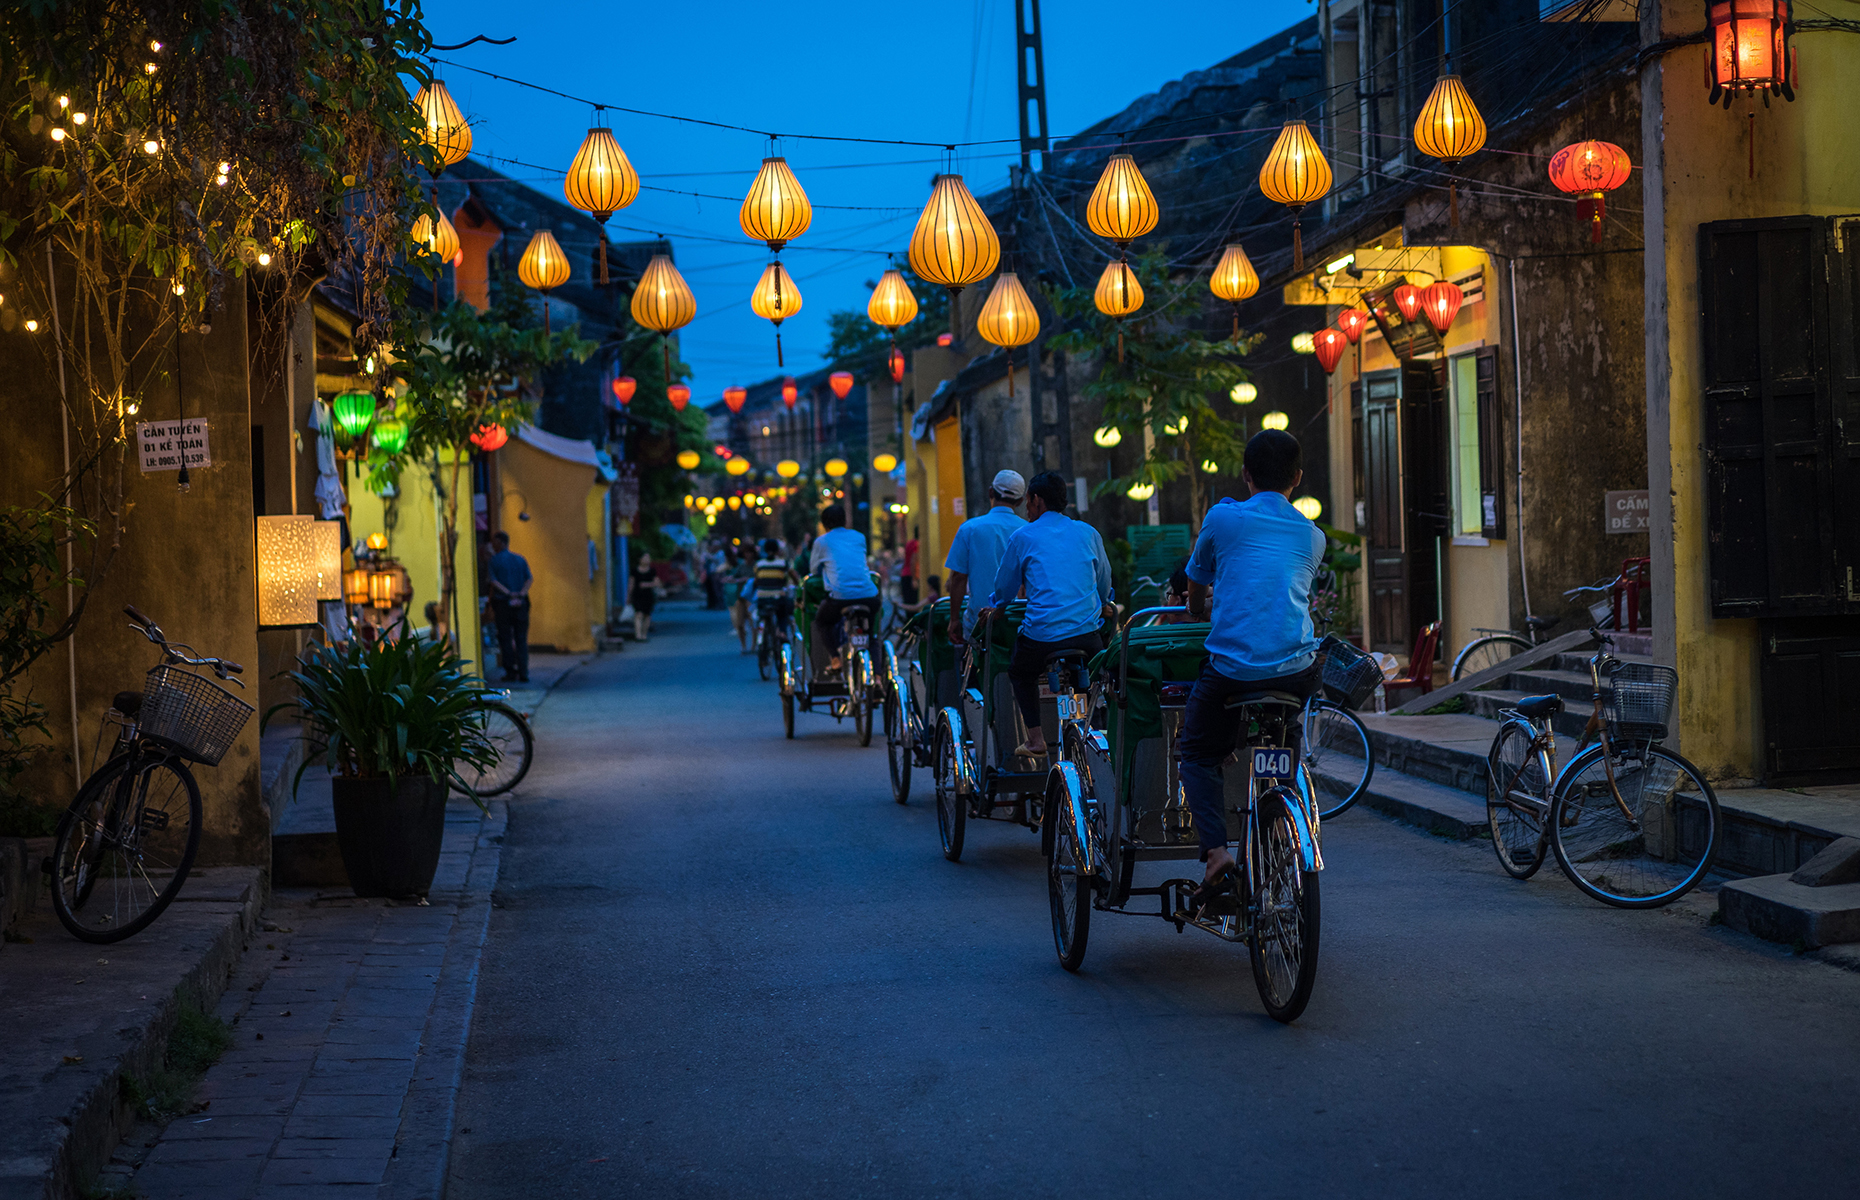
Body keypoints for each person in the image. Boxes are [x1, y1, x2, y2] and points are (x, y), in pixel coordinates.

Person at [1176, 429, 1325, 908]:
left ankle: (1217, 850)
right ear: (1298, 479)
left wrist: (1200, 608)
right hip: (1295, 670)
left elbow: (1196, 585)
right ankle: (1284, 798)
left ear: (1245, 475)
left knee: (1195, 750)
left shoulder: (1223, 517)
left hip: (1234, 672)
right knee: (1285, 732)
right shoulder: (1312, 535)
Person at [976, 471, 1114, 759]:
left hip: (1041, 638)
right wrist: (1103, 602)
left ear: (1036, 500)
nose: (1027, 508)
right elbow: (1103, 581)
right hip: (1085, 636)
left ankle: (1036, 739)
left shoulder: (1023, 536)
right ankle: (1099, 730)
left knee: (1020, 672)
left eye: (1029, 501)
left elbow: (1004, 587)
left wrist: (998, 605)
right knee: (1100, 671)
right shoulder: (1088, 533)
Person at [943, 470, 1027, 645]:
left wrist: (954, 620)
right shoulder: (1028, 530)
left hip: (979, 620)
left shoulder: (970, 529)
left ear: (991, 492)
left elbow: (958, 578)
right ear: (1020, 501)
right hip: (1020, 619)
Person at [807, 505, 879, 678]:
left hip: (839, 598)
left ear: (824, 524)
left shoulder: (822, 542)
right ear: (845, 521)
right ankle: (877, 677)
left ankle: (835, 658)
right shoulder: (859, 537)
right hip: (870, 596)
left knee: (822, 623)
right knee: (871, 636)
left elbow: (814, 570)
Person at [486, 531, 532, 683]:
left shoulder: (494, 561)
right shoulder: (520, 559)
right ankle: (524, 672)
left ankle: (510, 672)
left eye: (494, 542)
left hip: (503, 603)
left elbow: (494, 582)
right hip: (521, 604)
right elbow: (529, 579)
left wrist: (509, 593)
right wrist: (521, 594)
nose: (492, 545)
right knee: (521, 639)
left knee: (505, 638)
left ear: (501, 542)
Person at [751, 538, 798, 643]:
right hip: (777, 597)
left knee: (763, 614)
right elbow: (794, 577)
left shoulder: (759, 564)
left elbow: (756, 581)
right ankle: (782, 631)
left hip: (762, 598)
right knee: (783, 612)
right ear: (778, 550)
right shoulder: (783, 563)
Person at [630, 551, 661, 643]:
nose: (647, 560)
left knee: (647, 615)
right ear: (640, 559)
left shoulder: (652, 571)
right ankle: (638, 635)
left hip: (648, 595)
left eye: (648, 558)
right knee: (638, 614)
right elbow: (631, 583)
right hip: (637, 595)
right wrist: (628, 596)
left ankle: (644, 635)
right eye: (645, 558)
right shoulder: (634, 570)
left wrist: (646, 584)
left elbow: (657, 583)